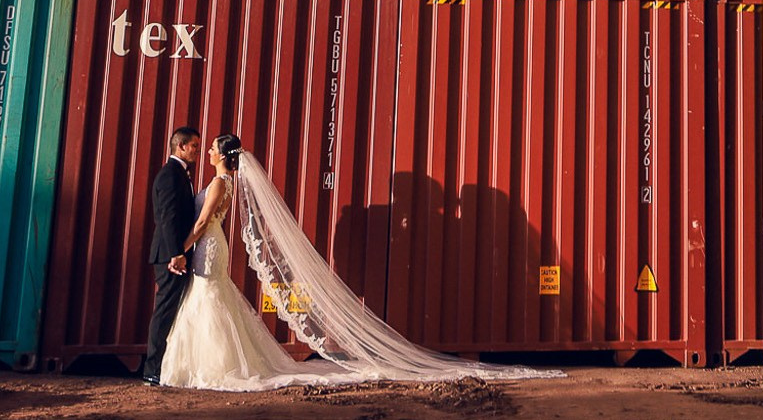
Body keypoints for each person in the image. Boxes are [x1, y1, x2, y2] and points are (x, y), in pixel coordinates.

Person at [154, 132, 558, 391]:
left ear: (223, 155)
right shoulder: (226, 182)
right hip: (212, 246)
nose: (206, 150)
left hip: (206, 245)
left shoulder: (219, 183)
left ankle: (208, 365)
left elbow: (203, 221)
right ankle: (211, 361)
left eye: (210, 147)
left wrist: (183, 248)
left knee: (210, 300)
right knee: (213, 300)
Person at [140, 126, 201, 385]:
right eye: (194, 146)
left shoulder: (179, 174)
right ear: (181, 146)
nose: (197, 151)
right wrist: (177, 253)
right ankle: (152, 369)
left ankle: (163, 366)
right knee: (164, 312)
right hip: (170, 256)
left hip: (175, 254)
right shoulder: (170, 175)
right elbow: (167, 218)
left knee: (172, 310)